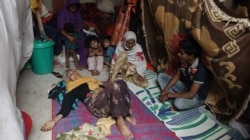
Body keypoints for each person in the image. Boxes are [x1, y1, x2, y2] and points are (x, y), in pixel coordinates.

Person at [41, 69, 136, 139]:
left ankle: (125, 112)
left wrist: (104, 86)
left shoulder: (90, 79)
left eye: (75, 71)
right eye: (71, 74)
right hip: (96, 104)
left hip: (107, 100)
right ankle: (120, 122)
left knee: (121, 83)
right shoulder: (72, 88)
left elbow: (107, 88)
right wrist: (54, 121)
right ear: (69, 80)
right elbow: (66, 106)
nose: (75, 73)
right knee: (115, 86)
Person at [157, 38, 211, 111]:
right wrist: (166, 90)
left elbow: (191, 94)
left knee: (179, 103)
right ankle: (175, 96)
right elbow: (177, 75)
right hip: (186, 88)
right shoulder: (183, 60)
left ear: (191, 57)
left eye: (181, 53)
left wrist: (169, 95)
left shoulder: (200, 70)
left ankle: (175, 97)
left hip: (196, 96)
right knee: (161, 77)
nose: (178, 54)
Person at [57, 0, 88, 68]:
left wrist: (78, 29)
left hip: (75, 33)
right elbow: (60, 28)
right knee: (70, 42)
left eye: (75, 8)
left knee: (84, 41)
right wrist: (69, 37)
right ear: (68, 5)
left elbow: (79, 25)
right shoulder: (62, 12)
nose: (73, 9)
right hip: (65, 33)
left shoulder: (77, 13)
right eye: (72, 7)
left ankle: (82, 62)